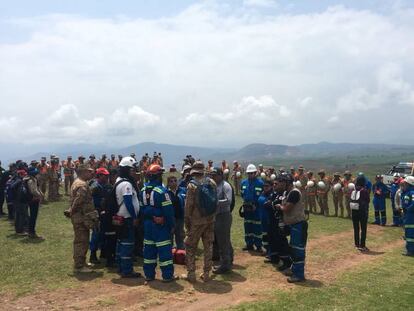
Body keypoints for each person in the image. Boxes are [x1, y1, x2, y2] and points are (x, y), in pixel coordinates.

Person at [140, 164, 176, 282]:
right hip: (160, 226)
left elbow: (141, 209)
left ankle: (149, 275)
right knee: (164, 251)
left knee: (149, 250)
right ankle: (167, 276)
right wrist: (171, 224)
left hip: (147, 225)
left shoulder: (143, 190)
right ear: (159, 176)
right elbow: (169, 211)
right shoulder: (162, 191)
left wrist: (149, 214)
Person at [182, 161, 217, 282]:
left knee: (190, 246)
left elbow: (188, 207)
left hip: (196, 221)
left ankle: (191, 273)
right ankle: (206, 272)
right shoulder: (212, 182)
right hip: (210, 219)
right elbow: (215, 202)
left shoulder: (192, 186)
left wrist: (187, 223)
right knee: (208, 245)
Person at [68, 164, 99, 273]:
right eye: (89, 172)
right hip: (80, 217)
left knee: (83, 239)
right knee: (81, 241)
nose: (92, 173)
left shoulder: (78, 182)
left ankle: (82, 262)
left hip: (80, 216)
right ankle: (79, 265)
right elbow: (78, 200)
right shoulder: (82, 185)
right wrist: (72, 210)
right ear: (83, 172)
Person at [115, 157, 142, 278]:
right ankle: (127, 270)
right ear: (126, 170)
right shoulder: (126, 184)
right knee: (127, 244)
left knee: (121, 243)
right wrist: (135, 216)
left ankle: (121, 267)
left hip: (121, 217)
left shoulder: (119, 180)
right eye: (131, 170)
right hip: (127, 218)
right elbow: (128, 202)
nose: (133, 172)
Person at [280, 173, 308, 283]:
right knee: (293, 248)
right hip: (294, 225)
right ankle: (294, 269)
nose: (280, 184)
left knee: (298, 250)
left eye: (282, 181)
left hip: (298, 224)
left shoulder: (294, 193)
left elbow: (287, 209)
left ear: (286, 182)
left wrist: (280, 207)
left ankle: (299, 274)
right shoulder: (288, 192)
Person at [210, 167, 233, 274]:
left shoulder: (225, 185)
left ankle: (225, 265)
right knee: (221, 239)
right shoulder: (215, 185)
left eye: (214, 175)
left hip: (224, 215)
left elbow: (228, 201)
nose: (212, 177)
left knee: (223, 240)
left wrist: (215, 202)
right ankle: (228, 259)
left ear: (220, 175)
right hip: (217, 215)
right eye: (211, 175)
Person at [89, 167, 111, 264]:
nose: (106, 177)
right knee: (96, 234)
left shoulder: (105, 186)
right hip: (96, 213)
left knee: (103, 234)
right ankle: (93, 255)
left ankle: (103, 253)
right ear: (99, 175)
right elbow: (91, 201)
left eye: (107, 176)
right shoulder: (95, 187)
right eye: (104, 176)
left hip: (103, 212)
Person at [240, 164, 264, 252]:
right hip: (247, 209)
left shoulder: (260, 183)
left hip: (256, 209)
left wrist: (256, 205)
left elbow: (262, 196)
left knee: (257, 226)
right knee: (248, 226)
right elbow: (242, 194)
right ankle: (249, 244)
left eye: (252, 173)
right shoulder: (243, 182)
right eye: (248, 173)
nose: (250, 175)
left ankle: (258, 245)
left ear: (255, 173)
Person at [350, 175, 371, 251]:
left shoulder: (354, 190)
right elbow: (368, 200)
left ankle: (356, 244)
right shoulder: (364, 191)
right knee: (363, 229)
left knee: (356, 228)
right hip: (362, 212)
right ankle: (362, 245)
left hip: (354, 211)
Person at [24, 166, 44, 239]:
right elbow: (33, 191)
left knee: (32, 216)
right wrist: (39, 196)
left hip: (29, 199)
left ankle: (30, 231)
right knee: (33, 216)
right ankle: (32, 233)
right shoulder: (32, 180)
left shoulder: (26, 179)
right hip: (34, 200)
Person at [167, 175, 185, 250]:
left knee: (180, 235)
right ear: (168, 183)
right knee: (170, 235)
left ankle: (181, 251)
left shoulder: (182, 190)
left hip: (180, 217)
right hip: (170, 218)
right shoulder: (166, 192)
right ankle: (170, 252)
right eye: (171, 181)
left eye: (175, 181)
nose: (174, 183)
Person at [401, 176, 414, 256]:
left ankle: (411, 251)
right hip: (407, 216)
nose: (403, 185)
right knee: (408, 233)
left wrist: (407, 209)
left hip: (411, 217)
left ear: (409, 184)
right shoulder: (406, 192)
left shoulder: (412, 193)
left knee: (410, 234)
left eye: (405, 184)